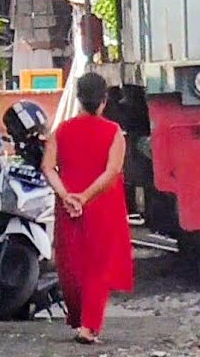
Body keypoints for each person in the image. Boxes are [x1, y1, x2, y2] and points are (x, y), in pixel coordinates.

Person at [42, 73, 134, 344]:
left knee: (72, 265)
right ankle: (88, 325)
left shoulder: (61, 131)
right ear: (104, 100)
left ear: (79, 99)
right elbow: (113, 171)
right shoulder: (114, 132)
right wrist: (85, 197)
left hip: (68, 206)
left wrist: (66, 195)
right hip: (102, 205)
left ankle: (82, 320)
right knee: (98, 266)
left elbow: (48, 166)